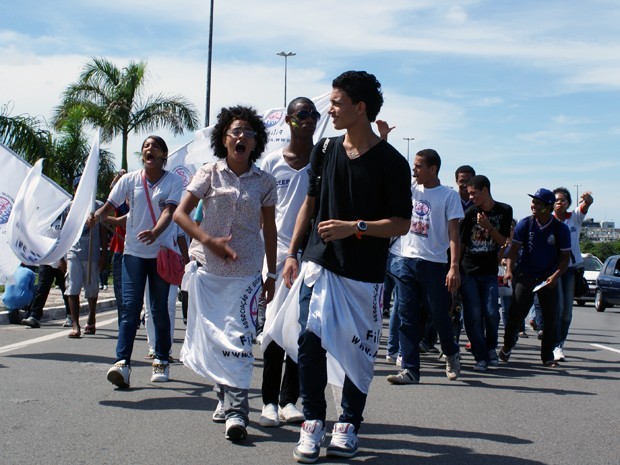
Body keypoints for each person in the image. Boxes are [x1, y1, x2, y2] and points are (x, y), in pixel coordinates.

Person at [278, 71, 412, 462]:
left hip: (364, 275)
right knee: (309, 340)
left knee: (358, 351)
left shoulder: (392, 163)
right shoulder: (324, 150)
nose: (330, 109)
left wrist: (355, 227)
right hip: (319, 264)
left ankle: (349, 423)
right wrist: (292, 253)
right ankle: (313, 422)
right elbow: (311, 202)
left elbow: (401, 223)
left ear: (360, 108)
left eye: (337, 103)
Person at [173, 105, 277, 442]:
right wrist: (208, 241)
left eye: (249, 132)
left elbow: (271, 231)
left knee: (240, 341)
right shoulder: (208, 173)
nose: (242, 137)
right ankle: (223, 393)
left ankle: (237, 412)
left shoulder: (265, 182)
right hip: (207, 272)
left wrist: (271, 274)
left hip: (246, 274)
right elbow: (181, 215)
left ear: (256, 142)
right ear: (224, 138)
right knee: (214, 340)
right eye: (236, 131)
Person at [89, 135, 183, 387]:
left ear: (164, 154)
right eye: (145, 146)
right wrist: (96, 216)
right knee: (130, 309)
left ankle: (161, 359)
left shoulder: (174, 181)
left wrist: (155, 232)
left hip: (161, 254)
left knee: (158, 309)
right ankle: (122, 363)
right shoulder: (129, 180)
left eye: (154, 146)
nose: (148, 149)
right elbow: (109, 206)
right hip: (133, 254)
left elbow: (169, 211)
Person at [258, 97, 320, 428]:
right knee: (272, 328)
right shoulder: (271, 163)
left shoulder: (322, 162)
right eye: (301, 115)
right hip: (276, 255)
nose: (308, 119)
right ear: (288, 120)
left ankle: (289, 400)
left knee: (300, 329)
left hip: (309, 257)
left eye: (313, 114)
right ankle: (268, 401)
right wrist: (265, 261)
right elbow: (260, 214)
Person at [386, 149, 463, 386]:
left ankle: (451, 352)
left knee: (439, 314)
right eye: (414, 165)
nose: (414, 169)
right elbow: (388, 173)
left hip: (434, 264)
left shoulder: (449, 196)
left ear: (433, 169)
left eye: (419, 166)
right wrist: (385, 139)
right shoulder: (411, 188)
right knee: (406, 316)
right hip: (404, 259)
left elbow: (453, 233)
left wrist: (454, 267)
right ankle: (410, 369)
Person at [499, 188, 570, 367]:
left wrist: (555, 276)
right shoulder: (525, 224)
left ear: (548, 207)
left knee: (550, 318)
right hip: (526, 275)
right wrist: (509, 270)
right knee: (516, 314)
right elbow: (513, 252)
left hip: (548, 278)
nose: (534, 206)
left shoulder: (560, 229)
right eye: (533, 202)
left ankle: (547, 356)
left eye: (538, 203)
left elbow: (565, 258)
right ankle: (507, 346)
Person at [459, 175, 512, 371]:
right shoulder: (470, 213)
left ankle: (491, 348)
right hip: (468, 270)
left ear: (485, 190)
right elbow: (462, 243)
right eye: (469, 193)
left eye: (474, 193)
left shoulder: (504, 210)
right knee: (473, 314)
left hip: (489, 270)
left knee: (491, 313)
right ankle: (480, 356)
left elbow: (503, 242)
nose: (471, 197)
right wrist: (454, 268)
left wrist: (489, 227)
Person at [552, 187, 593, 361]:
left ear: (568, 203)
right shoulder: (548, 221)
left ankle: (559, 345)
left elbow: (587, 204)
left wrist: (587, 198)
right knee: (557, 307)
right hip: (553, 270)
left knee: (567, 311)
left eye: (562, 200)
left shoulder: (574, 217)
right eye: (556, 200)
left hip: (570, 270)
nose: (559, 203)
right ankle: (552, 343)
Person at [65, 176, 107, 338]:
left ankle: (92, 316)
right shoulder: (69, 208)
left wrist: (104, 255)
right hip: (73, 253)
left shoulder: (98, 206)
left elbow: (104, 232)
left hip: (92, 253)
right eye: (77, 188)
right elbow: (64, 232)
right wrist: (62, 257)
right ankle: (76, 325)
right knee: (72, 287)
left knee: (91, 289)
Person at [21, 211, 72, 329]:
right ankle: (34, 316)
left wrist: (62, 259)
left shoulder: (66, 217)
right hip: (47, 260)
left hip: (62, 260)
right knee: (42, 288)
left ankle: (70, 315)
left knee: (66, 289)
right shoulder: (44, 217)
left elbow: (65, 239)